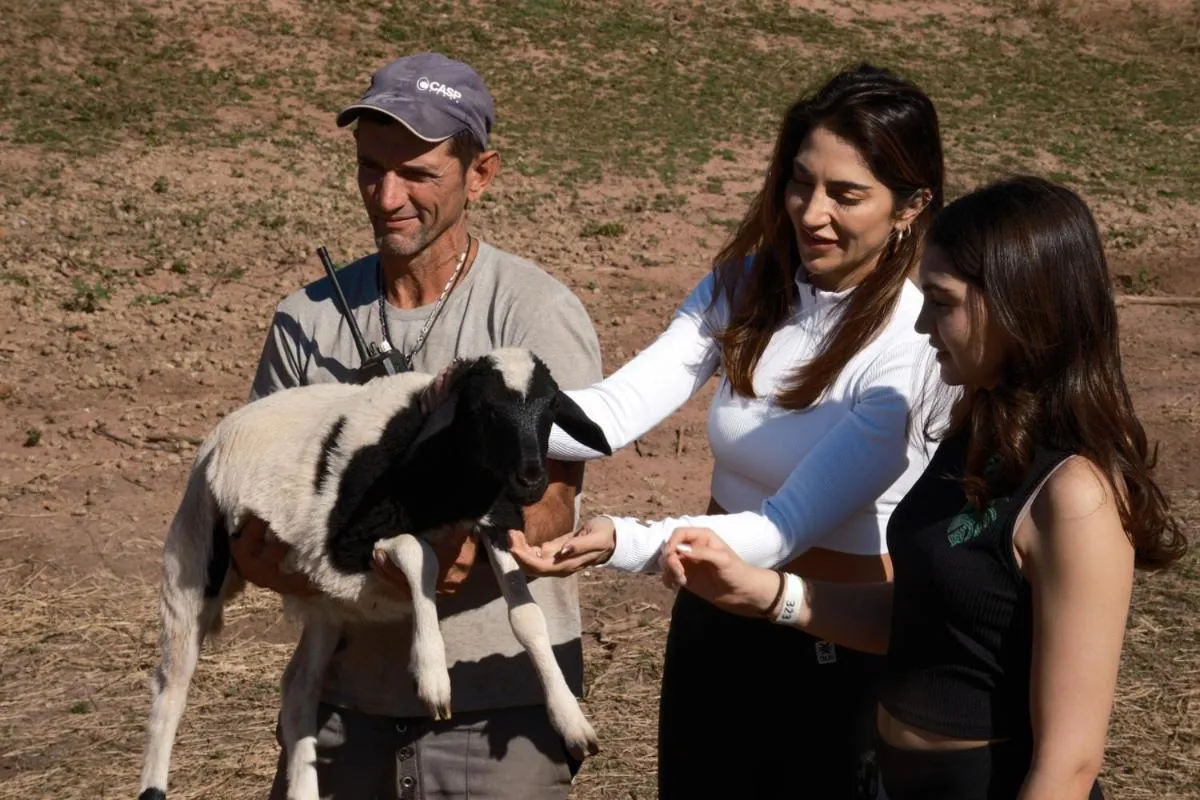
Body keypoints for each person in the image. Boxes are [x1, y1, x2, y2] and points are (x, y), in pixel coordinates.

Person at [659, 175, 1189, 800]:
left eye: (941, 302)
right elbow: (922, 614)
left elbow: (1068, 764)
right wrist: (761, 591)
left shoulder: (1075, 495)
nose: (921, 327)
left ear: (1022, 307)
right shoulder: (976, 427)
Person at [511, 63, 946, 798]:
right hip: (715, 625)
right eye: (800, 183)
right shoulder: (746, 285)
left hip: (833, 642)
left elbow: (784, 528)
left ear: (910, 205)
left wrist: (626, 541)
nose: (811, 213)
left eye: (847, 195)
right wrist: (485, 416)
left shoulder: (915, 344)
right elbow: (609, 415)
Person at [229, 51, 604, 800]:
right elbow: (250, 536)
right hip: (338, 720)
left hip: (497, 712)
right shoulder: (306, 323)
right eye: (371, 167)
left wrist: (448, 540)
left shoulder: (532, 314)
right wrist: (343, 560)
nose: (387, 195)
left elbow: (551, 502)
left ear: (482, 173)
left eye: (419, 174)